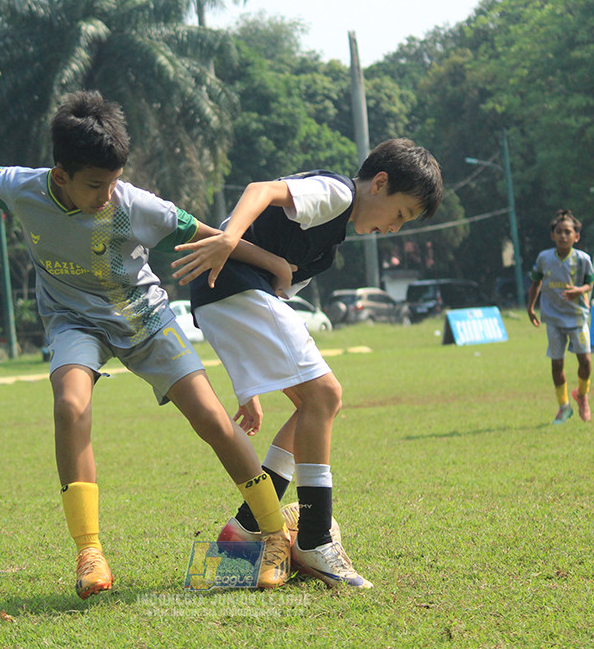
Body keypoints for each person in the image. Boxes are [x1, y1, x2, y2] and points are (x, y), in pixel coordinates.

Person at [0, 90, 293, 600]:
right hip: (74, 320)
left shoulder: (135, 205)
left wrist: (273, 263)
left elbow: (206, 234)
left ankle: (275, 534)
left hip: (145, 318)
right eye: (96, 184)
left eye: (114, 181)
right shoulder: (23, 187)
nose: (108, 194)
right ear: (61, 176)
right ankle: (89, 551)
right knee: (69, 406)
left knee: (211, 419)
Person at [174, 138, 444, 588]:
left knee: (314, 406)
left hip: (227, 295)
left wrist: (249, 384)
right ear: (380, 184)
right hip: (231, 287)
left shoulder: (325, 252)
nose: (395, 228)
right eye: (400, 214)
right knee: (327, 394)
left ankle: (242, 532)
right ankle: (316, 539)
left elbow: (277, 293)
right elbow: (261, 189)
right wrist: (227, 238)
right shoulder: (338, 194)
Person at [526, 209, 594, 424]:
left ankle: (582, 395)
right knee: (557, 364)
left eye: (568, 232)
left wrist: (580, 291)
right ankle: (564, 406)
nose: (563, 236)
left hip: (577, 318)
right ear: (552, 235)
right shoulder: (544, 258)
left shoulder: (583, 259)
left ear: (577, 236)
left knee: (585, 362)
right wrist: (530, 307)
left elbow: (590, 283)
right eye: (559, 232)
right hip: (553, 319)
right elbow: (536, 283)